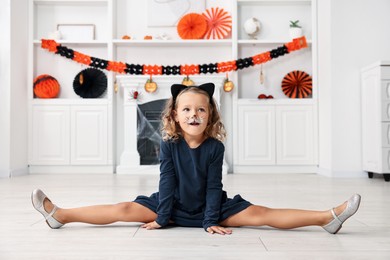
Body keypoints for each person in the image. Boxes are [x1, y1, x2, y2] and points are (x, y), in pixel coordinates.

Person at [31, 82, 361, 235]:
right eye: (187, 109)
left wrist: (210, 219)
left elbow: (214, 185)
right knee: (122, 209)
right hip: (171, 204)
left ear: (210, 116)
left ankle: (326, 218)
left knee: (261, 213)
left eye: (201, 109)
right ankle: (61, 214)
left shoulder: (214, 148)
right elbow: (167, 181)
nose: (194, 114)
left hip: (208, 206)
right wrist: (162, 217)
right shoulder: (170, 144)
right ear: (175, 115)